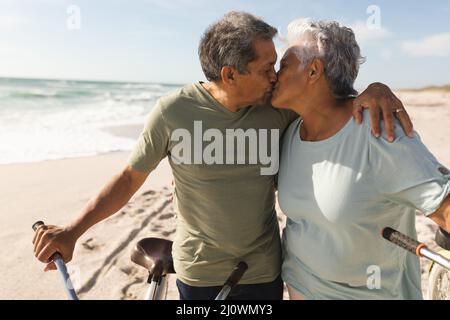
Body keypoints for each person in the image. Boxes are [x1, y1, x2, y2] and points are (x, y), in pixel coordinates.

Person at [33, 11, 413, 300]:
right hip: (199, 272)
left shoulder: (278, 109)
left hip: (264, 270)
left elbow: (329, 99)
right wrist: (74, 231)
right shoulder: (173, 112)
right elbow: (130, 178)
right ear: (230, 75)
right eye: (266, 68)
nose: (275, 77)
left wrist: (375, 88)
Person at [271, 18, 450, 300]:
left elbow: (445, 206)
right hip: (299, 287)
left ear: (314, 70)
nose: (274, 75)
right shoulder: (290, 131)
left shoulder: (378, 132)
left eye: (284, 66)